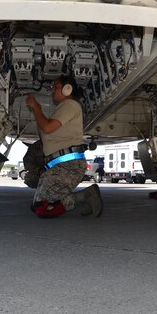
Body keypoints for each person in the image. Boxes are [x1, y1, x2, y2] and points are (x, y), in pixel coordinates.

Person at [25, 76, 102, 218]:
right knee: (36, 207)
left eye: (56, 87)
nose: (52, 91)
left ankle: (86, 196)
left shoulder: (70, 105)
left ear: (68, 89)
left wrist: (36, 107)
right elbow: (44, 135)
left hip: (69, 166)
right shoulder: (62, 108)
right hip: (58, 166)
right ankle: (84, 198)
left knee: (43, 209)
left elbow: (47, 128)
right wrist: (37, 111)